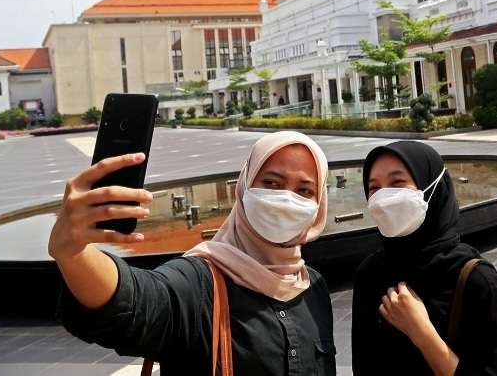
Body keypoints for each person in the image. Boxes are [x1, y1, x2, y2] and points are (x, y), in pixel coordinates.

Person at [51, 131, 338, 375]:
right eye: (271, 183)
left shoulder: (313, 287)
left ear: (319, 203)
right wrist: (74, 254)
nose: (286, 198)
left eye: (304, 191)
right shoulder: (199, 283)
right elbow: (139, 301)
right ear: (244, 186)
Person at [351, 141, 497, 376]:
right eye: (374, 188)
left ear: (433, 189)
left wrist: (421, 332)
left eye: (397, 183)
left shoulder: (476, 281)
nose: (383, 197)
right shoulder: (370, 275)